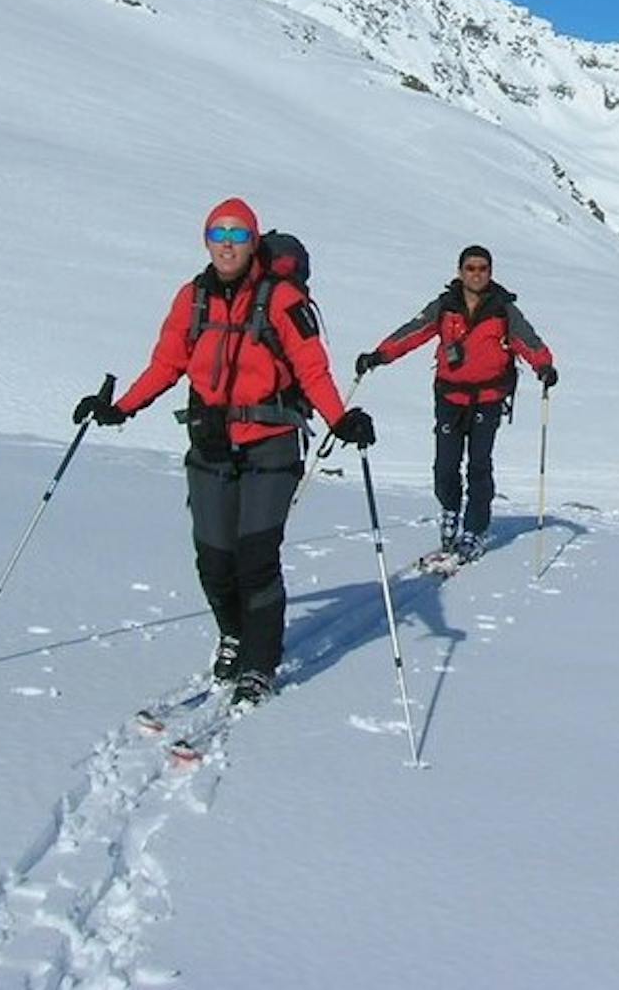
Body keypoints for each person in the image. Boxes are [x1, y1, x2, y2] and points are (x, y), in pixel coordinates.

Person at [73, 197, 374, 708]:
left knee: (256, 558)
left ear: (252, 241)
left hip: (271, 447)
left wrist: (340, 419)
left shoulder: (281, 300)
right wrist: (121, 408)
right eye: (219, 235)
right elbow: (167, 365)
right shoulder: (192, 298)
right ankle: (233, 634)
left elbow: (311, 369)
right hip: (211, 443)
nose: (228, 245)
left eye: (238, 236)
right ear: (206, 241)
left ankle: (259, 664)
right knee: (214, 560)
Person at [354, 244, 556, 563]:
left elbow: (526, 340)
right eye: (471, 268)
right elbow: (414, 332)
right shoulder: (445, 306)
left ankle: (474, 528)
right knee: (445, 466)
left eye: (483, 268)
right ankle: (450, 510)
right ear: (460, 272)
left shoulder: (503, 309)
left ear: (490, 272)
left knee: (479, 464)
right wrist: (380, 355)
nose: (477, 274)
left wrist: (543, 365)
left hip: (488, 398)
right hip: (450, 395)